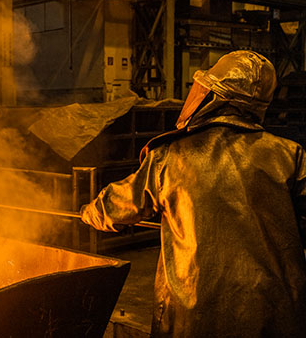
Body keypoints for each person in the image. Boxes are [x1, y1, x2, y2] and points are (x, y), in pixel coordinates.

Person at [80, 50, 306, 337]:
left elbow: (117, 206)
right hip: (276, 316)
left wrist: (88, 212)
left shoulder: (172, 156)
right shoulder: (290, 155)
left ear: (215, 97)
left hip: (192, 317)